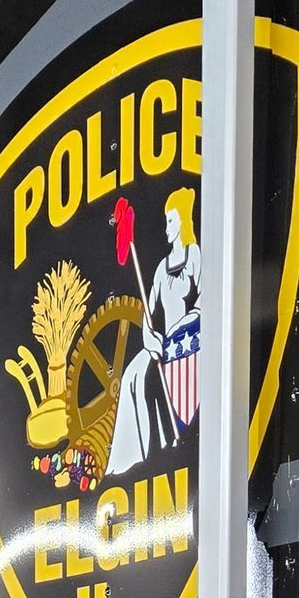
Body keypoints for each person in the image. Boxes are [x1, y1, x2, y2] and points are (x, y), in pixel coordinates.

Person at [108, 187, 200, 477]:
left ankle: (177, 435)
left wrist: (185, 327)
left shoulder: (195, 256)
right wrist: (151, 340)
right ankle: (136, 456)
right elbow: (149, 314)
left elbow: (205, 301)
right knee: (131, 376)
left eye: (171, 221)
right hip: (163, 346)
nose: (167, 228)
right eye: (166, 221)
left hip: (192, 340)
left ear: (183, 222)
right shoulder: (161, 269)